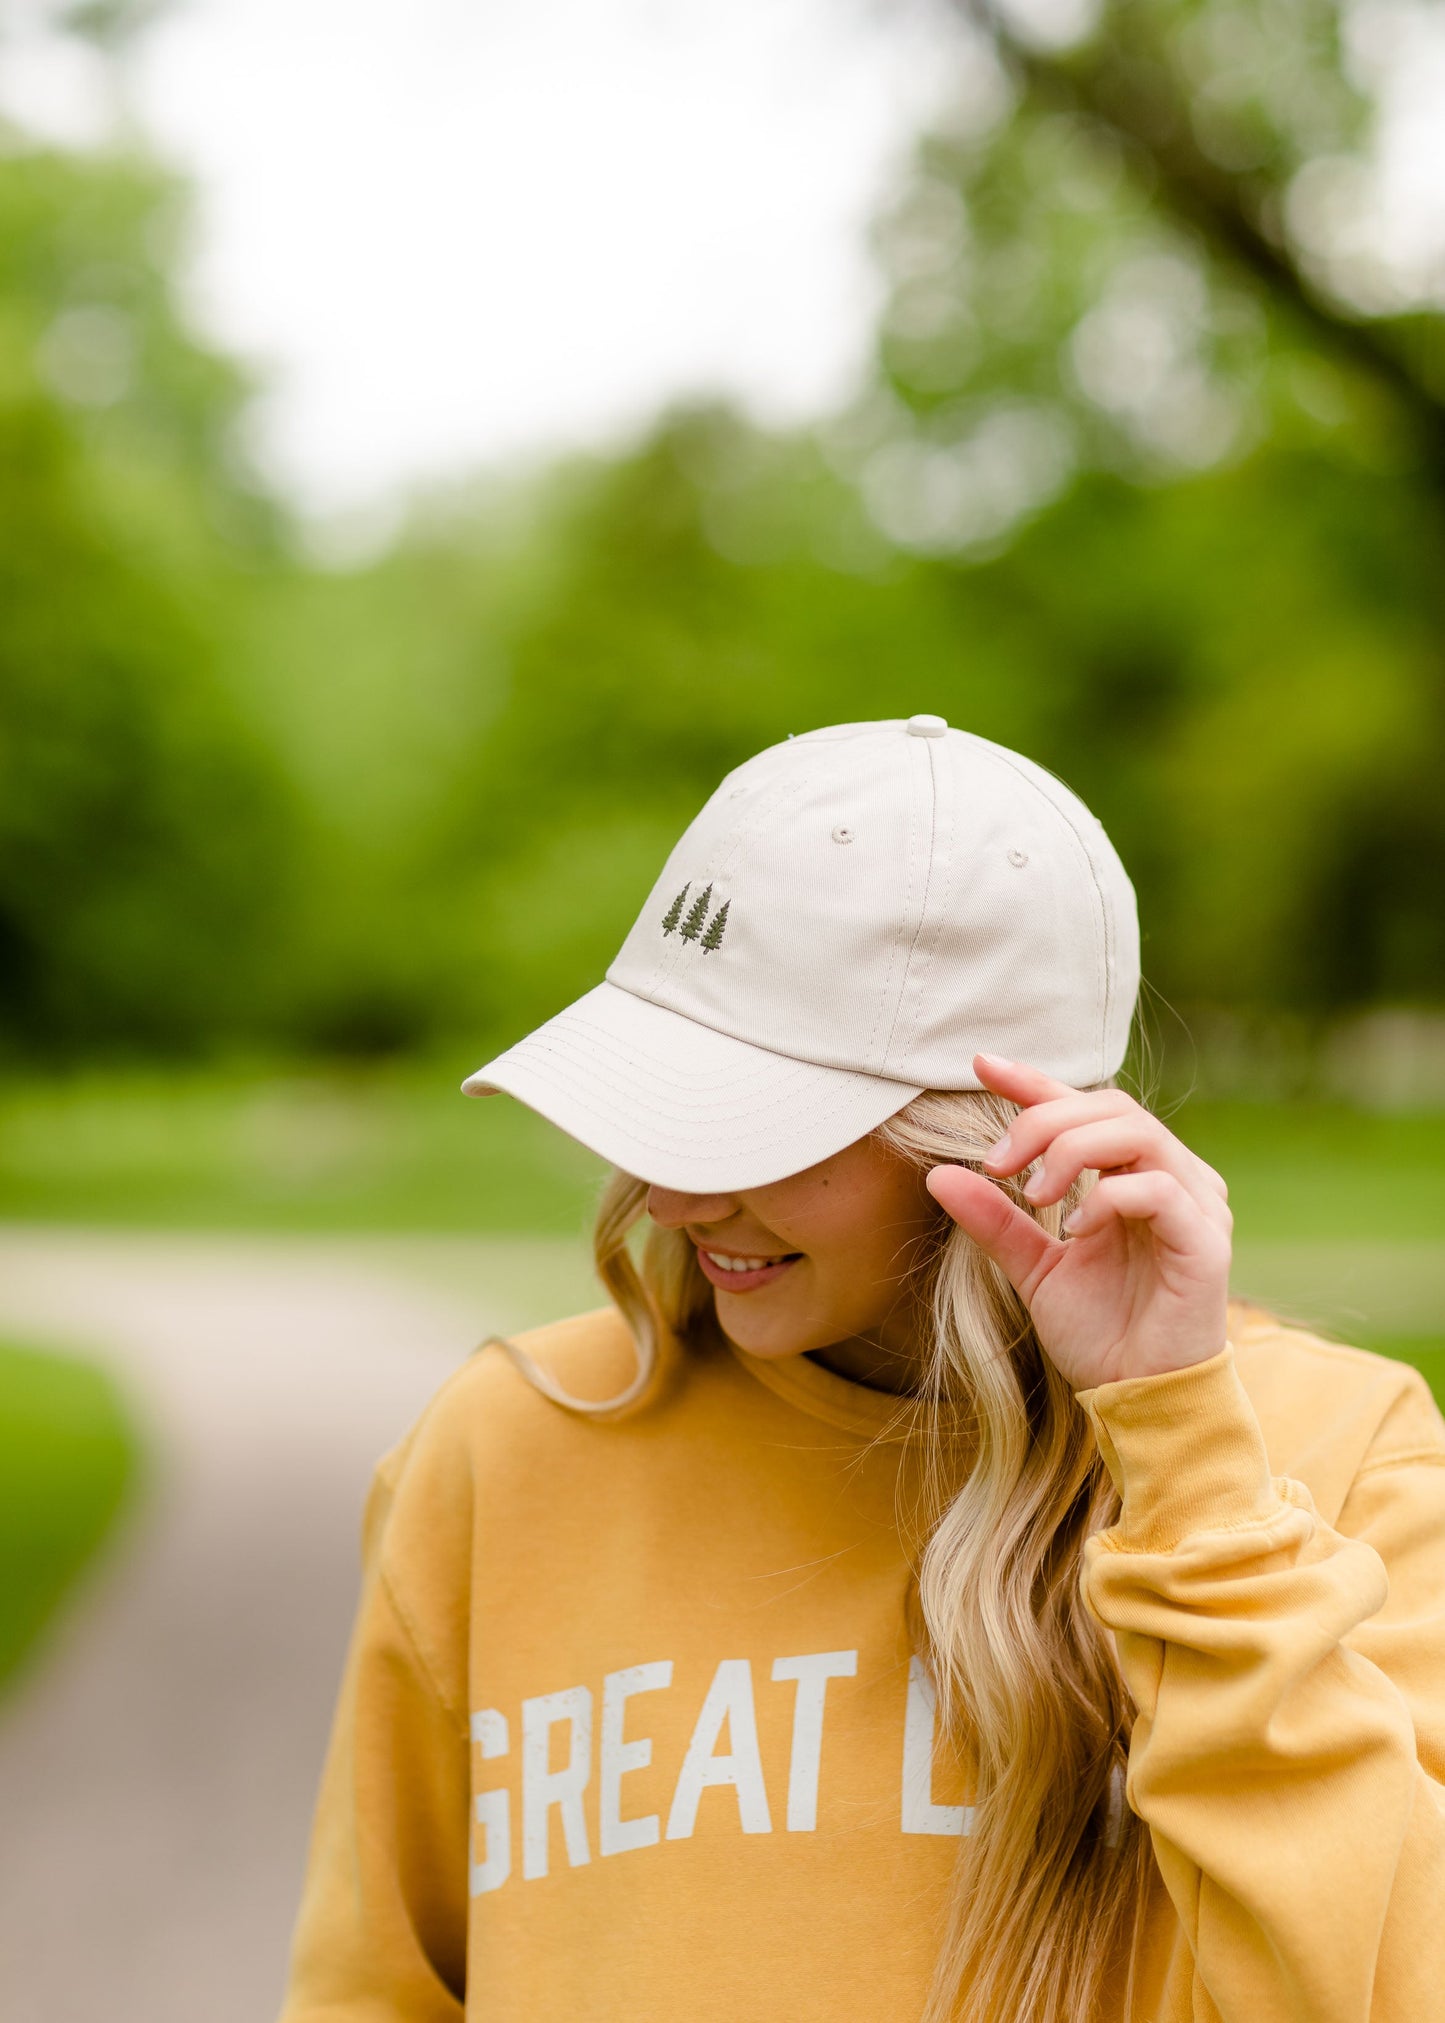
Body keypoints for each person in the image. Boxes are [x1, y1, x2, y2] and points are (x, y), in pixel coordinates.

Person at [278, 716, 1445, 2023]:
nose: (666, 1193)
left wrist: (1180, 1463)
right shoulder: (513, 1443)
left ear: (1001, 1134)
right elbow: (372, 1994)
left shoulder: (1329, 1458)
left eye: (747, 1130)